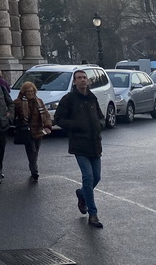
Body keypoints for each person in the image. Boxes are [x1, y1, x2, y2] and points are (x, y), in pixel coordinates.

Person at [55, 69, 105, 229]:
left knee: (96, 177)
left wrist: (100, 125)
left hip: (95, 144)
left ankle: (82, 194)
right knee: (88, 177)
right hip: (79, 144)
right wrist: (76, 126)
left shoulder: (92, 98)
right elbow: (58, 119)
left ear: (88, 81)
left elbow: (99, 116)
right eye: (79, 78)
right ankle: (93, 214)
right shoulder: (69, 99)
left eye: (84, 78)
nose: (82, 80)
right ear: (74, 82)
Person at [14, 81, 53, 181]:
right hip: (27, 131)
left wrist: (48, 126)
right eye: (28, 91)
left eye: (32, 91)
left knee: (36, 151)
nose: (30, 93)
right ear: (24, 92)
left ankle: (33, 166)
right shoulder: (18, 103)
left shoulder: (39, 101)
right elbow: (14, 115)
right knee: (32, 151)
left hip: (39, 131)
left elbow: (46, 115)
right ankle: (34, 170)